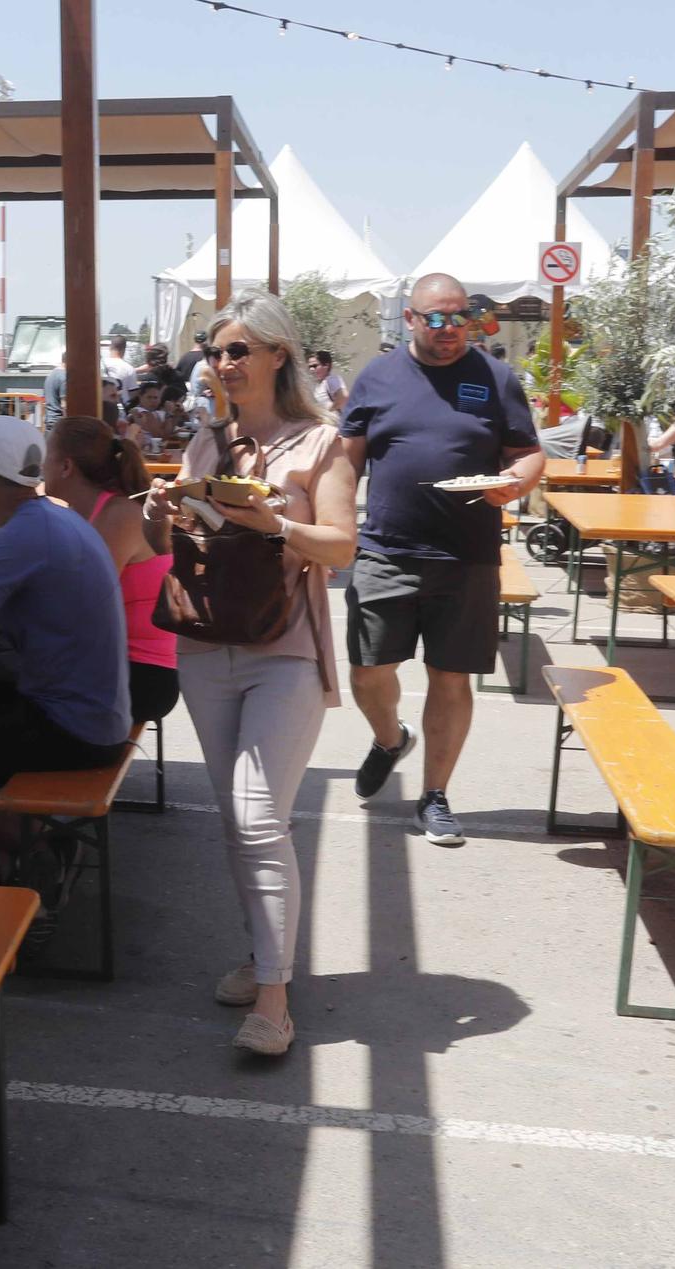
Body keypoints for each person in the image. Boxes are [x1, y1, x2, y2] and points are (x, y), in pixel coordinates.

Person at [140, 291, 358, 1057]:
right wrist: (162, 514)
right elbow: (170, 546)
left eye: (238, 350)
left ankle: (274, 998)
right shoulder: (208, 440)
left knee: (260, 814)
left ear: (277, 356)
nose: (222, 363)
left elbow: (340, 548)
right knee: (239, 817)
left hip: (286, 645)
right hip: (206, 641)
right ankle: (263, 957)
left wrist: (280, 524)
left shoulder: (320, 443)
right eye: (214, 349)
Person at [339, 272, 544, 846]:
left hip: (467, 556)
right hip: (386, 549)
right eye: (436, 317)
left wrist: (513, 483)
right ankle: (388, 738)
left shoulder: (495, 378)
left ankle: (435, 796)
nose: (450, 329)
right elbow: (347, 461)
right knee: (368, 671)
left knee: (451, 679)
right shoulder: (377, 377)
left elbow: (528, 455)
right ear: (410, 318)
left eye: (461, 318)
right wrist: (330, 528)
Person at [0, 414, 131, 794]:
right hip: (95, 715)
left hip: (74, 727)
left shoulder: (21, 536)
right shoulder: (50, 518)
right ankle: (10, 830)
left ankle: (4, 835)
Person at [44, 416, 179, 726]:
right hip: (117, 667)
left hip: (142, 677)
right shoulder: (93, 511)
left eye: (45, 455)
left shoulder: (118, 516)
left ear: (66, 467)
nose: (40, 466)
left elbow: (78, 607)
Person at [307, 350, 348, 414]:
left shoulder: (331, 379)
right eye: (310, 367)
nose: (311, 369)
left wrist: (329, 412)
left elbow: (343, 396)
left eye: (315, 366)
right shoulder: (319, 384)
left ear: (326, 365)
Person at [41, 352, 68, 424]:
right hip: (59, 423)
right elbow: (64, 405)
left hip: (49, 421)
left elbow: (44, 402)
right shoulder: (64, 377)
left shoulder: (50, 375)